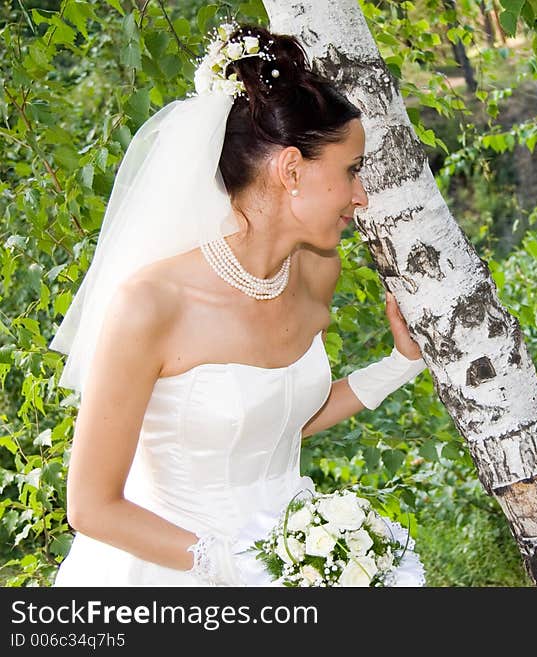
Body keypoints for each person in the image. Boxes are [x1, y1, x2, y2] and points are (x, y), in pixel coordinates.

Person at [51, 23, 427, 586]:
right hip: (172, 572)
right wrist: (238, 565)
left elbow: (274, 426)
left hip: (293, 552)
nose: (361, 195)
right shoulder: (152, 305)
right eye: (351, 170)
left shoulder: (317, 273)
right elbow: (91, 506)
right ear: (292, 170)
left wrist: (399, 366)